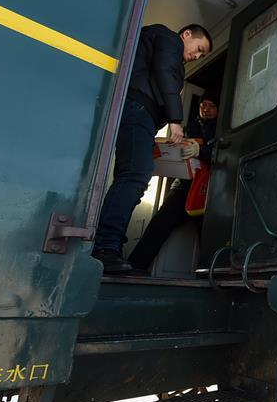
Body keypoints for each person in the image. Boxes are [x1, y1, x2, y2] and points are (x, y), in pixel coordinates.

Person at [92, 23, 212, 274]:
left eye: (202, 55)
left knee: (130, 178)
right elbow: (164, 72)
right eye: (199, 48)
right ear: (186, 34)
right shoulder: (169, 39)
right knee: (135, 176)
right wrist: (175, 120)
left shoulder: (159, 46)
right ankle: (105, 247)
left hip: (139, 113)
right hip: (139, 110)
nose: (197, 56)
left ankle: (109, 246)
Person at [127, 95, 220, 273]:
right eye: (203, 105)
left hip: (208, 187)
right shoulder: (190, 127)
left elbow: (224, 152)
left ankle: (209, 274)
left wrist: (201, 150)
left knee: (208, 233)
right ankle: (135, 267)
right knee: (159, 225)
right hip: (184, 185)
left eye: (211, 105)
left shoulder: (221, 129)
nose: (206, 109)